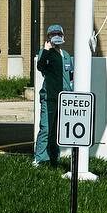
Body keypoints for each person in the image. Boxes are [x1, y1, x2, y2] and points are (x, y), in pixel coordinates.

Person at [33, 24, 73, 167]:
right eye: (53, 34)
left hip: (64, 98)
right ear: (48, 37)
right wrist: (46, 49)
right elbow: (41, 66)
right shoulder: (46, 53)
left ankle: (53, 157)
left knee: (57, 130)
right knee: (46, 128)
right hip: (49, 97)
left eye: (59, 34)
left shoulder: (67, 55)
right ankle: (40, 159)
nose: (56, 36)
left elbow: (72, 75)